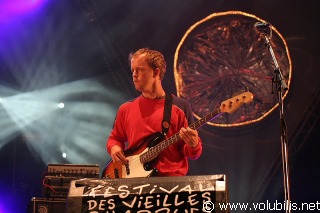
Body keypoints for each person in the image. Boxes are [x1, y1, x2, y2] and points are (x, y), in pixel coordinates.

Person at [105, 48, 202, 177]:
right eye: (133, 70)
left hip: (171, 185)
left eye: (139, 69)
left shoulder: (180, 107)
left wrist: (193, 144)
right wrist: (114, 148)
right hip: (135, 182)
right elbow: (114, 139)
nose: (134, 74)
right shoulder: (125, 109)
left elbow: (192, 153)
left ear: (155, 72)